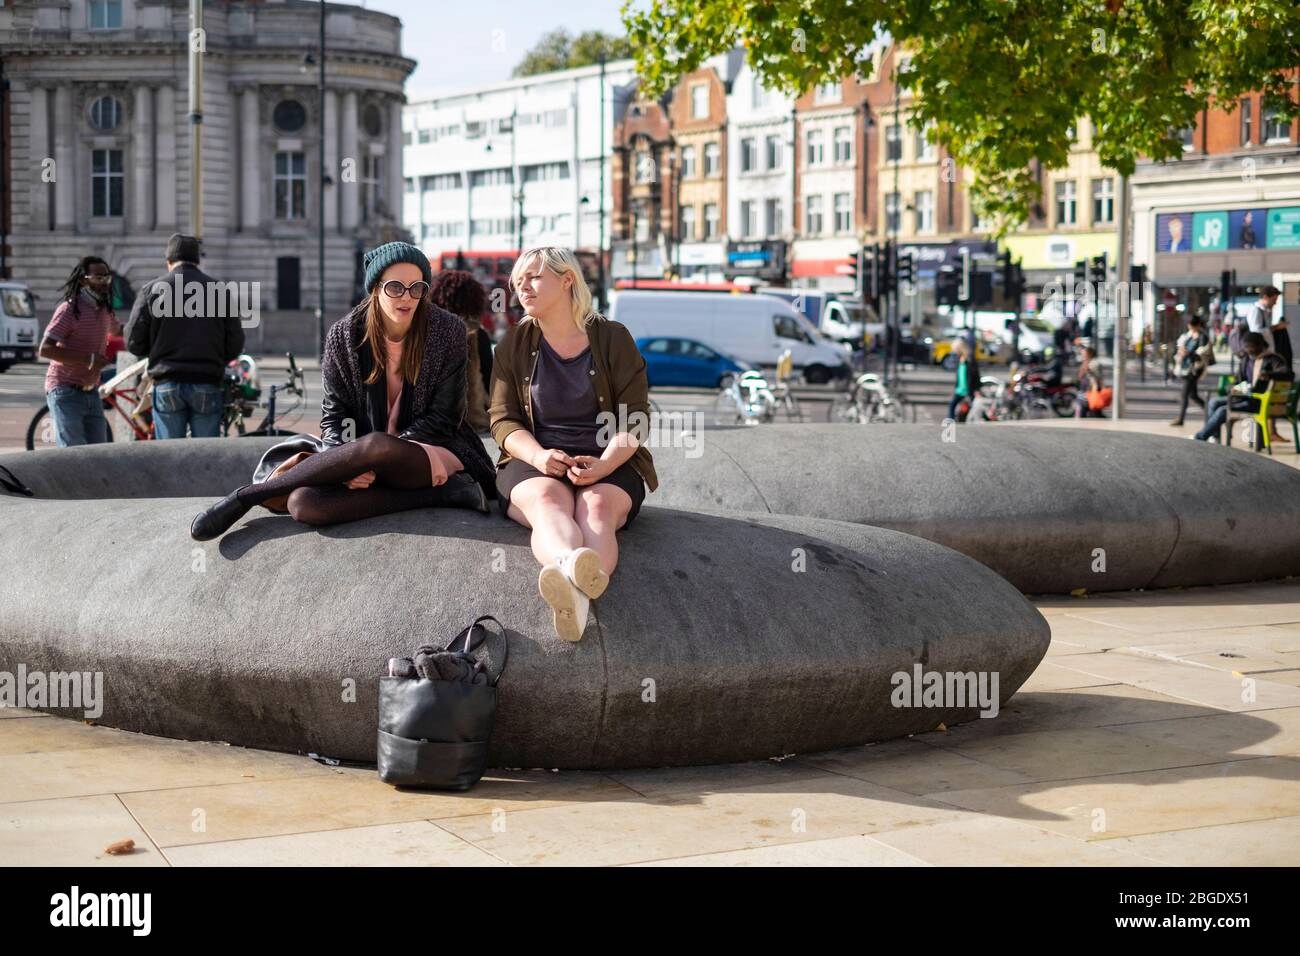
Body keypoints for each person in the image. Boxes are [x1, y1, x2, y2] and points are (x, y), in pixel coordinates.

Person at [189, 241, 496, 540]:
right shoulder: (346, 335)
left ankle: (247, 497)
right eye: (395, 287)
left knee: (378, 444)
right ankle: (446, 494)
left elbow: (444, 420)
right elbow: (334, 418)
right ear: (375, 288)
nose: (407, 297)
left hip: (431, 452)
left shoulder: (447, 331)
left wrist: (376, 458)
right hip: (367, 458)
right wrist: (347, 464)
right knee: (303, 504)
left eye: (417, 288)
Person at [490, 246, 656, 643]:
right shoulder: (514, 342)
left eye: (533, 277)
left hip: (609, 459)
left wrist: (603, 466)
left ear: (567, 281)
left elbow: (635, 417)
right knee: (549, 504)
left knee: (595, 507)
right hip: (534, 457)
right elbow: (503, 418)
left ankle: (573, 592)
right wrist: (539, 456)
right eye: (518, 281)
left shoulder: (612, 338)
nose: (522, 288)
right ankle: (571, 570)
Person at [125, 234, 245, 439]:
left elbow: (133, 342)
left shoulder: (151, 290)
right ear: (197, 261)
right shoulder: (219, 291)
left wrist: (156, 350)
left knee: (170, 458)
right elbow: (235, 342)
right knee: (205, 457)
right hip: (207, 380)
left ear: (169, 262)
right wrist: (216, 358)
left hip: (167, 380)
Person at [37, 256, 118, 446]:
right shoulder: (69, 309)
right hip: (65, 390)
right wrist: (88, 359)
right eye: (98, 279)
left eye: (107, 278)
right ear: (83, 281)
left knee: (98, 453)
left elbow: (119, 330)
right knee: (73, 454)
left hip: (91, 391)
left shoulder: (104, 309)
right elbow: (45, 349)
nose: (104, 283)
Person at [1194, 332, 1294, 443]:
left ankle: (1200, 437)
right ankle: (1215, 436)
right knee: (1213, 402)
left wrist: (1268, 374)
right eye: (1246, 347)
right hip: (1243, 396)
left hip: (1257, 401)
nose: (1247, 350)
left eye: (1250, 347)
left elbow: (1288, 373)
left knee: (1223, 411)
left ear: (1260, 345)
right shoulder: (1246, 360)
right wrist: (1234, 387)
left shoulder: (1272, 359)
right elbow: (1238, 380)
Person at [430, 269, 494, 433]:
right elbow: (490, 380)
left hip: (432, 422)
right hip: (474, 423)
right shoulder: (477, 334)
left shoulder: (428, 332)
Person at [1170, 314, 1211, 426]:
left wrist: (1188, 353)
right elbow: (1179, 349)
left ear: (1198, 325)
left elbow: (1203, 355)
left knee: (1184, 394)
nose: (1191, 328)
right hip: (1185, 368)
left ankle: (1181, 419)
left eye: (1193, 326)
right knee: (1193, 395)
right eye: (1189, 326)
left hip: (1195, 369)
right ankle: (1211, 411)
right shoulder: (1188, 336)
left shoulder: (1203, 338)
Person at [946, 338, 973, 422]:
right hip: (960, 389)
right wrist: (956, 387)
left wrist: (973, 390)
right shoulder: (960, 360)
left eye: (956, 349)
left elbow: (973, 376)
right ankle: (952, 421)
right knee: (952, 405)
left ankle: (958, 421)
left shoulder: (969, 360)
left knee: (966, 407)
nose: (955, 352)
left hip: (967, 390)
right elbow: (960, 376)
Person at [1074, 345, 1104, 417]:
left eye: (1084, 354)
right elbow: (1080, 376)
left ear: (1089, 354)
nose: (1082, 355)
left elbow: (1097, 377)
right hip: (1084, 390)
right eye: (1082, 354)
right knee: (1084, 411)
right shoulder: (1084, 363)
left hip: (1092, 390)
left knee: (1095, 411)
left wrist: (1089, 370)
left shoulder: (1095, 363)